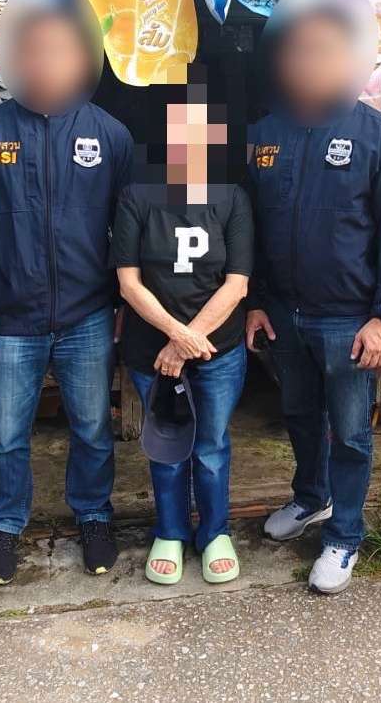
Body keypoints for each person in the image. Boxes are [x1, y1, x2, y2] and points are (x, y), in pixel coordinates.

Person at [0, 0, 133, 585]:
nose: (46, 61)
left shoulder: (109, 134)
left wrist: (125, 301)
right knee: (6, 434)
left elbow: (128, 229)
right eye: (33, 50)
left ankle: (94, 517)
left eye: (60, 49)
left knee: (92, 429)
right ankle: (4, 526)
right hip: (8, 317)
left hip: (87, 314)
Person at [245, 0, 381, 594]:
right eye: (299, 50)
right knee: (298, 414)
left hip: (349, 317)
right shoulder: (264, 134)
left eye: (324, 50)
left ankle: (344, 535)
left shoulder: (376, 135)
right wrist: (256, 301)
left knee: (350, 432)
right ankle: (310, 497)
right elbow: (251, 226)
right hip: (284, 314)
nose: (309, 62)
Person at [114, 73, 252, 586]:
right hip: (154, 347)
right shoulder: (137, 196)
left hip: (220, 349)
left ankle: (214, 532)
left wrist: (188, 342)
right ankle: (170, 531)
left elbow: (237, 283)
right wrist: (177, 336)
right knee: (167, 445)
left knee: (211, 445)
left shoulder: (232, 197)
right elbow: (128, 282)